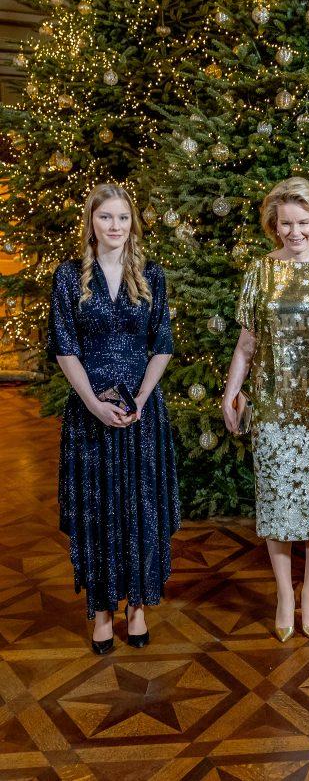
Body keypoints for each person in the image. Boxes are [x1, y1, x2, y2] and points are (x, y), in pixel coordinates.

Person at [222, 177, 309, 643]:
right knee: (278, 506)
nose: (294, 232)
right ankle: (285, 594)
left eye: (303, 222)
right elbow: (246, 345)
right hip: (272, 407)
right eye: (286, 223)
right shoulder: (260, 272)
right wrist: (230, 394)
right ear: (273, 225)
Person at [48, 183, 180, 654]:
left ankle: (138, 607)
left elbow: (162, 341)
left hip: (142, 410)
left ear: (133, 223)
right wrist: (92, 403)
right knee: (100, 509)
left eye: (123, 218)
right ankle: (102, 611)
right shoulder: (68, 277)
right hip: (91, 411)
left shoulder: (152, 275)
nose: (115, 227)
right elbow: (64, 346)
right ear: (91, 223)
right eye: (106, 218)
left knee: (140, 507)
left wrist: (143, 397)